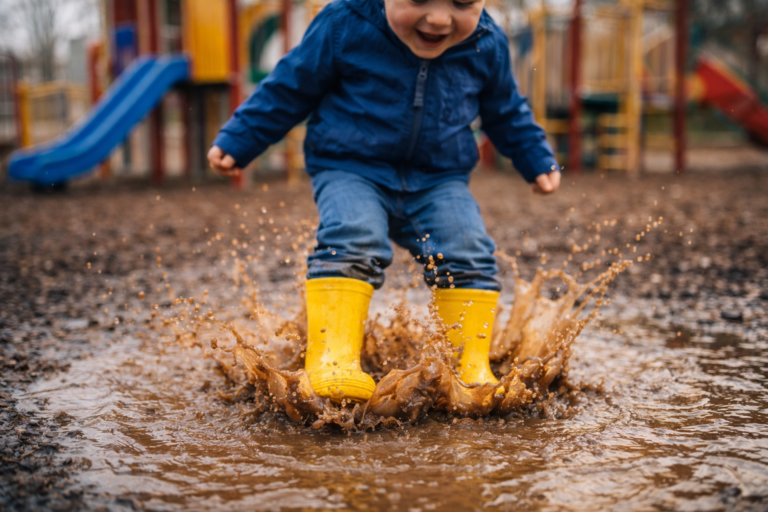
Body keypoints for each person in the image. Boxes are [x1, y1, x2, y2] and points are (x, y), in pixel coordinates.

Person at [208, 0, 561, 403]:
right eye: (418, 0)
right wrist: (240, 137)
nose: (440, 18)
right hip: (351, 167)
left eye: (462, 3)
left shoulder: (487, 42)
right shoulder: (345, 23)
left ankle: (466, 367)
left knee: (470, 252)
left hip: (438, 178)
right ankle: (332, 358)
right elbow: (291, 85)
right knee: (353, 236)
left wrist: (535, 157)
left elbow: (506, 109)